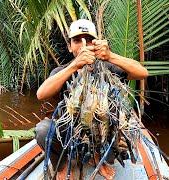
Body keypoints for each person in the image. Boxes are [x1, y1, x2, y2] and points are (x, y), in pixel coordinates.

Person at [35, 19, 148, 180]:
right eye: (77, 40)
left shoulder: (107, 68)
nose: (83, 44)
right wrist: (75, 66)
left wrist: (110, 56)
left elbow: (142, 72)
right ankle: (62, 165)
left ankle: (99, 157)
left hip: (102, 131)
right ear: (69, 46)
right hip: (70, 133)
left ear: (96, 43)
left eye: (89, 40)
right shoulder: (63, 71)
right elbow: (41, 94)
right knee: (43, 130)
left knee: (113, 113)